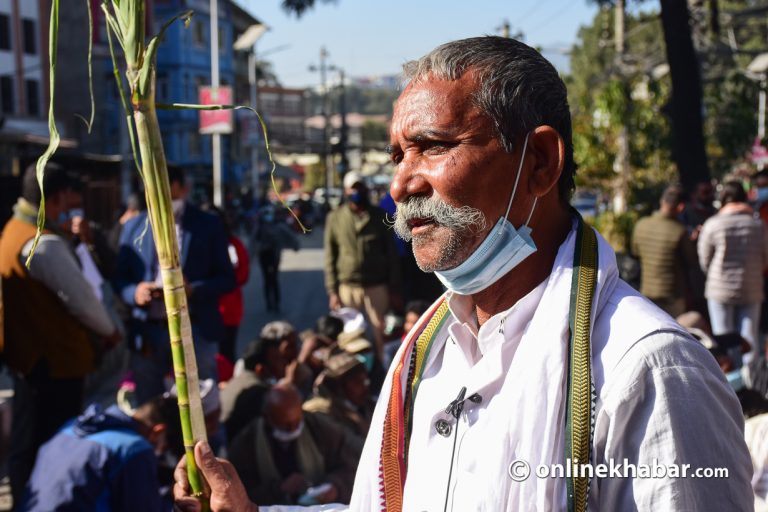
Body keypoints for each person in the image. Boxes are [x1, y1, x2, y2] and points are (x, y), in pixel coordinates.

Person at [175, 36, 752, 511]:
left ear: (541, 163)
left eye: (432, 147)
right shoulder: (426, 353)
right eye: (398, 155)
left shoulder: (647, 368)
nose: (401, 184)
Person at [0, 163, 120, 505]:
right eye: (68, 197)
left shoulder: (13, 229)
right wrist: (110, 332)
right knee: (51, 444)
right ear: (56, 197)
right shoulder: (42, 244)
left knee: (28, 443)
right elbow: (84, 303)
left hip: (29, 362)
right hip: (55, 366)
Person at [114, 166, 236, 404]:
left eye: (163, 186)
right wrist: (135, 292)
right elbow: (119, 278)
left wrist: (194, 290)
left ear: (181, 187)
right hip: (149, 329)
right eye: (150, 187)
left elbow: (227, 278)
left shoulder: (207, 225)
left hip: (195, 328)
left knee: (201, 404)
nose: (156, 194)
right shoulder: (133, 227)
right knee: (149, 405)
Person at [19, 395, 174, 511]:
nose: (159, 456)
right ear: (158, 431)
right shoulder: (135, 448)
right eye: (164, 448)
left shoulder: (73, 426)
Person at [227, 384, 362, 506]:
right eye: (286, 425)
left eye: (297, 422)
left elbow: (351, 464)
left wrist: (335, 486)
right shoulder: (246, 444)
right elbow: (241, 492)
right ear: (267, 417)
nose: (293, 429)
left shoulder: (319, 428)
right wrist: (279, 489)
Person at [324, 172, 403, 359]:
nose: (357, 192)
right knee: (350, 336)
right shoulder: (335, 218)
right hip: (348, 287)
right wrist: (332, 291)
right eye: (353, 188)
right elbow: (330, 257)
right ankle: (355, 374)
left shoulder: (380, 217)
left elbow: (392, 255)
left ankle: (383, 372)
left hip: (377, 286)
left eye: (360, 187)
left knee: (382, 333)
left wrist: (394, 289)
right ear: (346, 191)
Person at [698, 181, 768, 363]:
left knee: (723, 338)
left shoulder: (712, 224)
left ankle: (729, 385)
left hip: (719, 288)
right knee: (750, 338)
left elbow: (704, 259)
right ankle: (752, 383)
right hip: (751, 287)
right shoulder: (757, 225)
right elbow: (765, 257)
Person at [221, 322, 299, 444]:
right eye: (278, 360)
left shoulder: (241, 379)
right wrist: (288, 386)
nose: (284, 363)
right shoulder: (258, 394)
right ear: (260, 369)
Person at [631, 185, 698, 317]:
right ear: (680, 207)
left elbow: (635, 253)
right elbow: (692, 261)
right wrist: (693, 242)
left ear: (662, 201)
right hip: (673, 296)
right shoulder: (679, 230)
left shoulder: (641, 225)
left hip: (647, 293)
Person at [303, 351, 375, 439]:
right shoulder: (323, 413)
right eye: (357, 382)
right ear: (339, 388)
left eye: (365, 381)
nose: (364, 387)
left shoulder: (370, 406)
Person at [253, 205, 300, 312]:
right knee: (267, 280)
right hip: (263, 255)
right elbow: (252, 243)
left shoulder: (279, 226)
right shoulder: (259, 228)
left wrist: (295, 246)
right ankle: (268, 303)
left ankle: (276, 302)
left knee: (274, 279)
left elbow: (290, 236)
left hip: (274, 255)